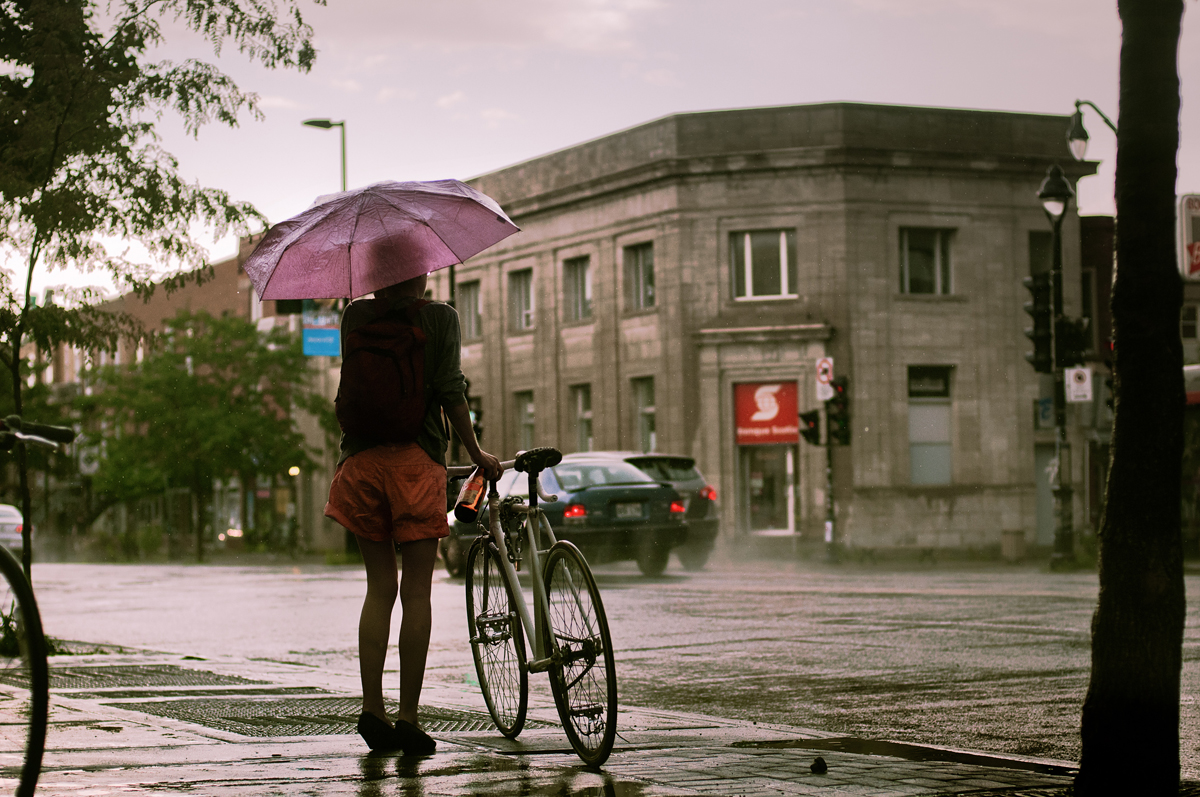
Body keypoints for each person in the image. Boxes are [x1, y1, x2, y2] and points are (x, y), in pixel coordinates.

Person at [324, 272, 502, 754]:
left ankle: (371, 708)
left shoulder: (355, 314)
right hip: (416, 465)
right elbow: (450, 391)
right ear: (422, 272)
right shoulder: (441, 318)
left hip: (359, 465)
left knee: (379, 587)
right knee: (416, 591)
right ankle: (407, 717)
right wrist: (477, 452)